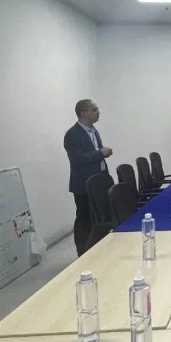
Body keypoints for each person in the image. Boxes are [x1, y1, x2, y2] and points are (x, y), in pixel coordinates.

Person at [63, 99, 113, 256]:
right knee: (84, 219)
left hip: (98, 182)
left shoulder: (93, 131)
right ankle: (82, 252)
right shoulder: (73, 134)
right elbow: (77, 159)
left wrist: (103, 153)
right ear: (83, 114)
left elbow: (94, 154)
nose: (98, 112)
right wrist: (100, 153)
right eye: (94, 109)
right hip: (83, 185)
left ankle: (97, 249)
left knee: (98, 217)